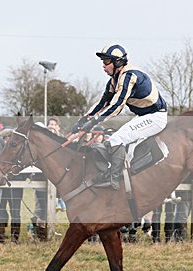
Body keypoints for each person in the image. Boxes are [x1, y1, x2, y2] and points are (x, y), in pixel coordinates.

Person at [71, 44, 168, 190]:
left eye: (106, 62)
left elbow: (117, 105)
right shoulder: (114, 80)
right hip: (143, 116)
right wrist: (84, 119)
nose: (103, 66)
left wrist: (94, 122)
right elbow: (103, 103)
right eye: (103, 62)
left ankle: (114, 180)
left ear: (118, 62)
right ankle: (113, 173)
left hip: (156, 117)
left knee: (117, 140)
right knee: (112, 141)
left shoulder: (129, 76)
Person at [0, 128, 24, 243]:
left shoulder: (19, 153)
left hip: (16, 186)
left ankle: (15, 238)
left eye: (9, 138)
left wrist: (16, 177)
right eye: (5, 138)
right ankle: (0, 237)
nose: (7, 140)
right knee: (1, 210)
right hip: (2, 186)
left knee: (15, 212)